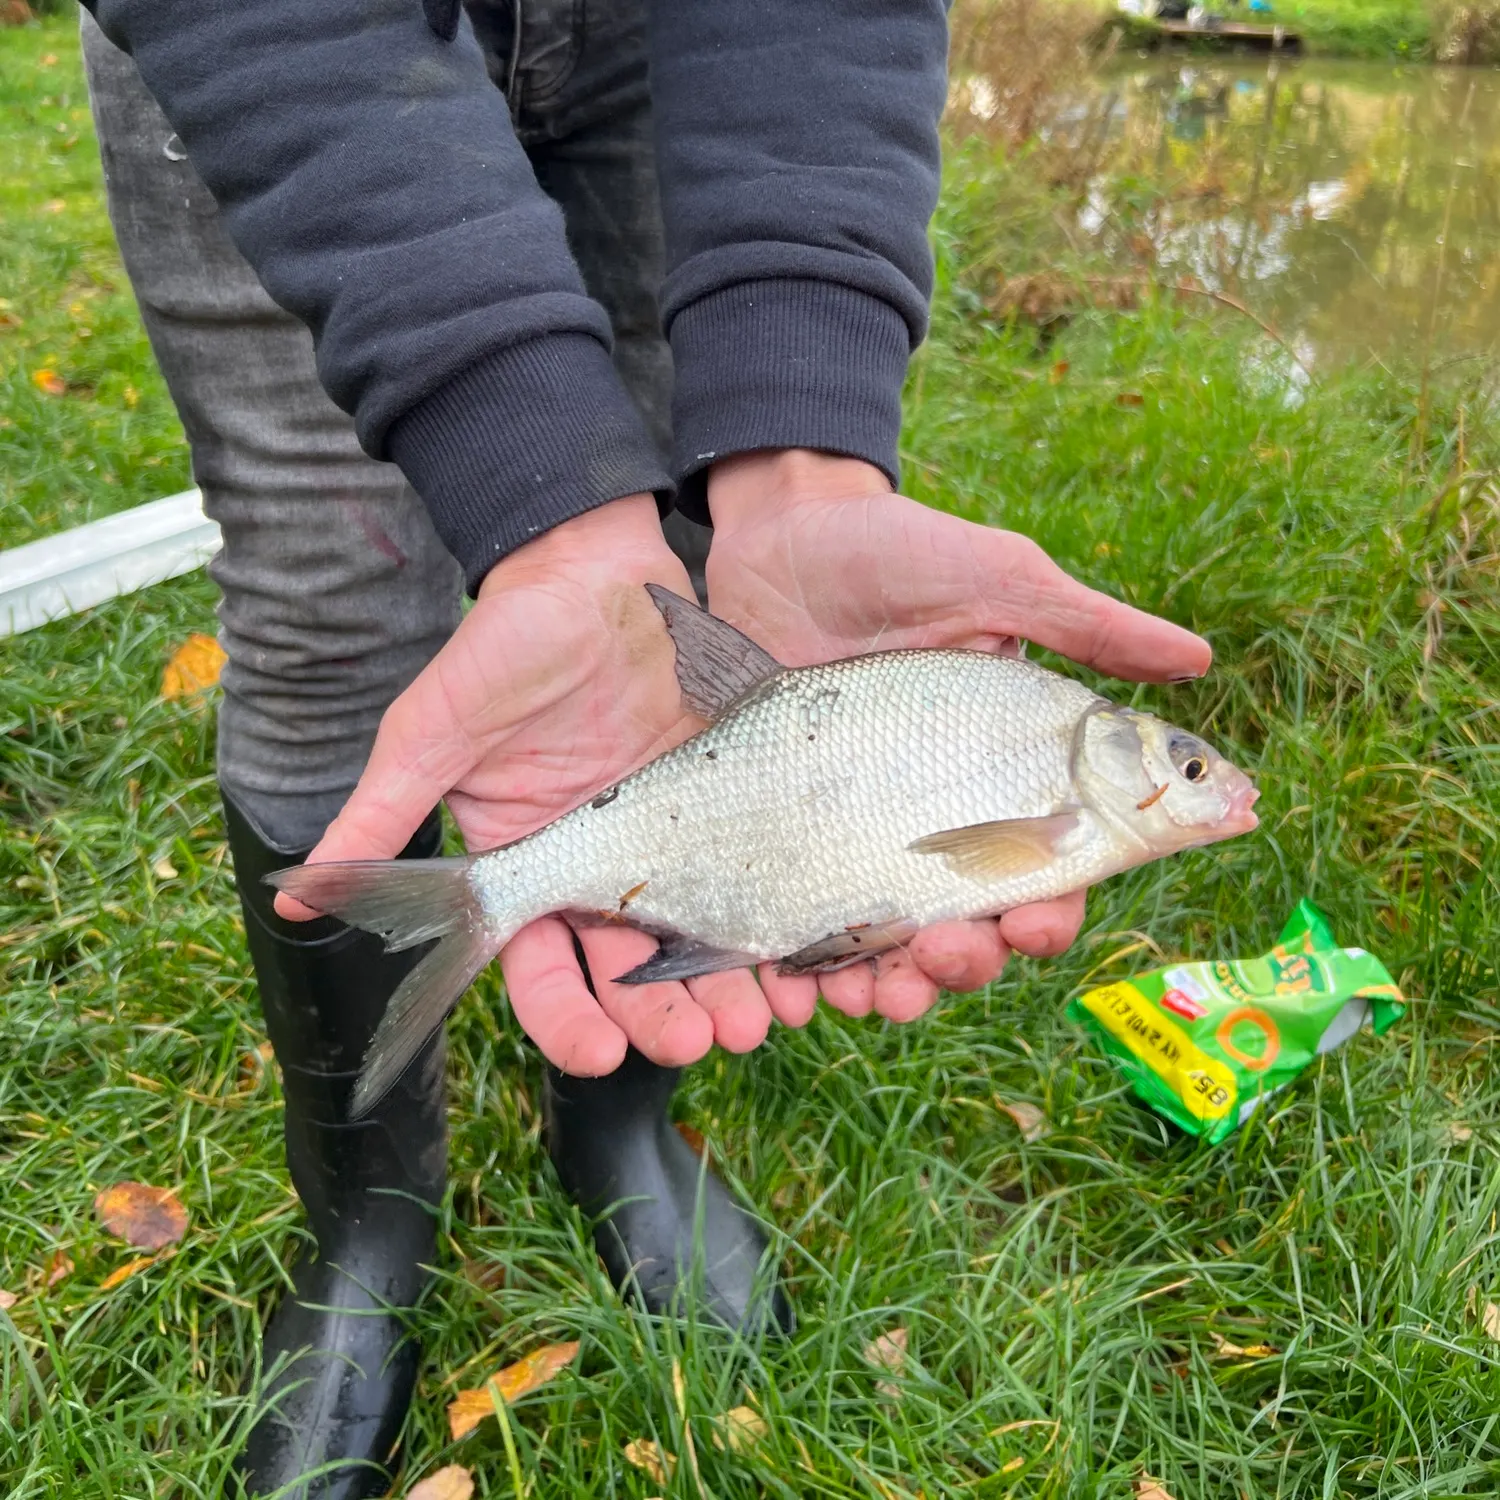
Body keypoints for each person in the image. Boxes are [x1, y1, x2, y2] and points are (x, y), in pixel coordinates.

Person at [79, 1, 1211, 1494]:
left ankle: (616, 1127)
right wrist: (533, 497)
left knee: (687, 526)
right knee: (319, 606)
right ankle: (368, 1209)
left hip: (693, 43)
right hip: (272, 49)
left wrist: (800, 456)